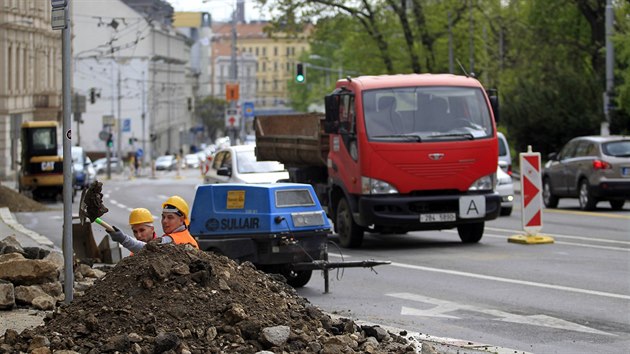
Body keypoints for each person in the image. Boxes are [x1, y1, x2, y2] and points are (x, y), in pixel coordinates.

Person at [107, 195, 199, 253]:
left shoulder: (172, 239)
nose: (164, 221)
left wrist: (123, 239)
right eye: (163, 217)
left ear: (181, 219)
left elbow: (147, 248)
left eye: (170, 217)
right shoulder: (187, 237)